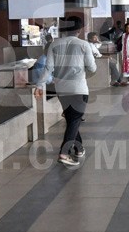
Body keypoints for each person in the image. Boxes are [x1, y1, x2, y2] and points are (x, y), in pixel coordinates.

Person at [32, 16, 96, 167]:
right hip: (78, 88)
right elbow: (92, 68)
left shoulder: (54, 44)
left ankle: (78, 148)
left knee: (72, 118)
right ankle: (64, 153)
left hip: (62, 89)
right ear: (79, 30)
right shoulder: (83, 45)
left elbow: (48, 68)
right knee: (75, 119)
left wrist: (39, 86)